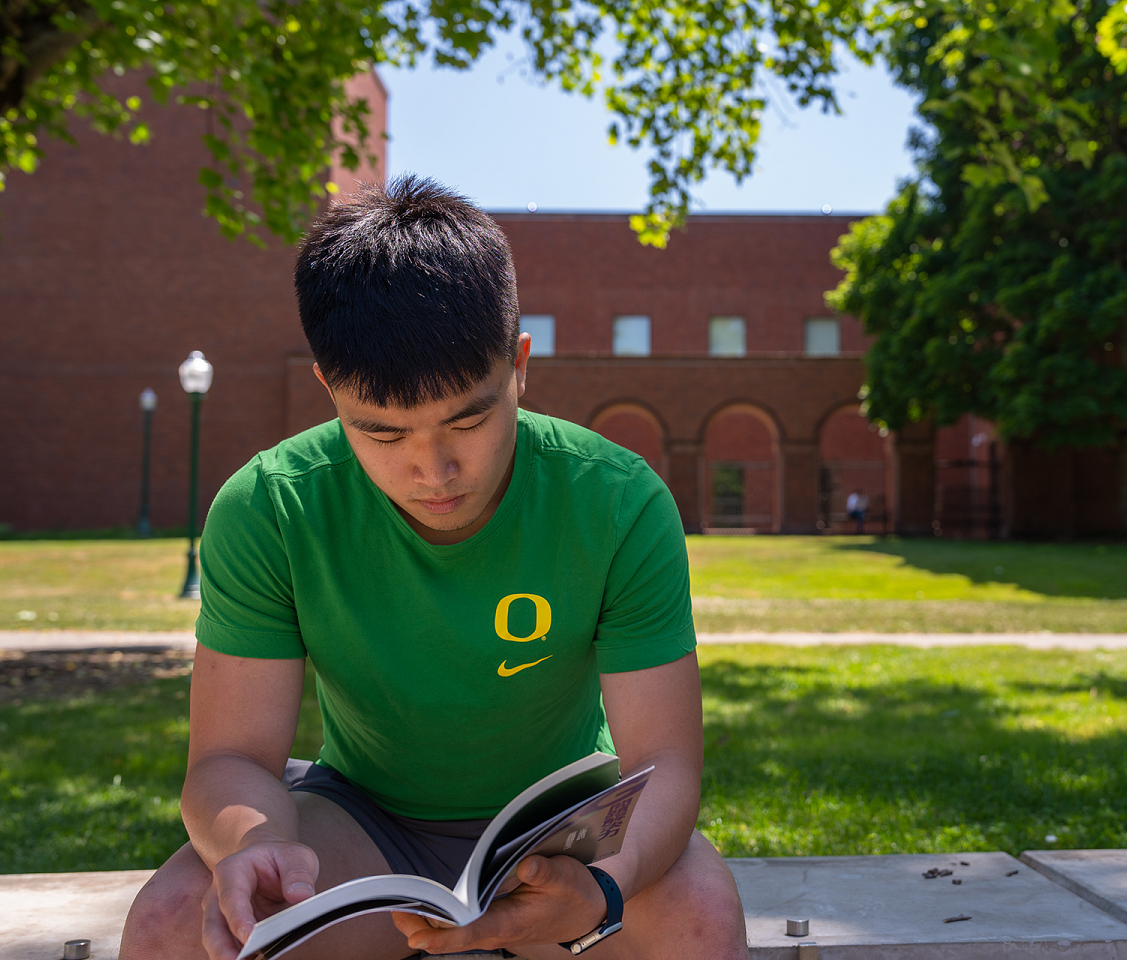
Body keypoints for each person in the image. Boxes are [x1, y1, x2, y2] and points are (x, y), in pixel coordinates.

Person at [122, 177, 748, 960]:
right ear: (328, 387)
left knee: (700, 918)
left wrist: (603, 890)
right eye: (383, 434)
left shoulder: (617, 501)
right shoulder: (269, 508)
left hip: (566, 834)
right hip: (361, 822)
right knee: (173, 922)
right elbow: (231, 760)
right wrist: (249, 845)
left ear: (519, 365)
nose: (434, 470)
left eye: (470, 417)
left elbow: (665, 763)